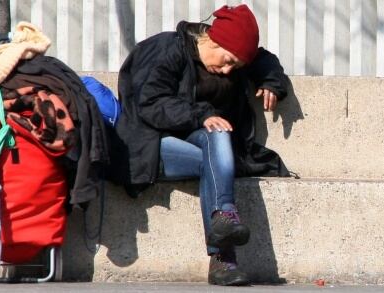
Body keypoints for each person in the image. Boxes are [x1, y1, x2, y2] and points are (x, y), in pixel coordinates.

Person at [108, 4, 291, 286]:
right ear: (212, 39)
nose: (228, 69)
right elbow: (149, 103)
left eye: (237, 67)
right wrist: (201, 114)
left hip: (206, 146)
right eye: (228, 60)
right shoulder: (167, 49)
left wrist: (270, 82)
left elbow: (262, 58)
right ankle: (224, 259)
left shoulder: (232, 55)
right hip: (154, 144)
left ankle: (224, 220)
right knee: (218, 156)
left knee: (218, 139)